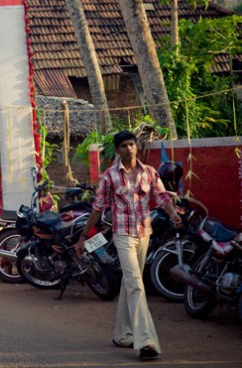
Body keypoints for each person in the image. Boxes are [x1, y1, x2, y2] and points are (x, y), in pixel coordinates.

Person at [76, 130, 182, 362]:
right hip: (122, 234)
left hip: (144, 234)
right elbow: (97, 208)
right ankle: (145, 341)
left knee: (129, 283)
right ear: (117, 150)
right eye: (124, 146)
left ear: (136, 147)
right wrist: (84, 237)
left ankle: (122, 334)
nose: (129, 149)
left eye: (132, 144)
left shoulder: (149, 173)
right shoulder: (109, 177)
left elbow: (162, 197)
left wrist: (173, 213)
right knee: (136, 284)